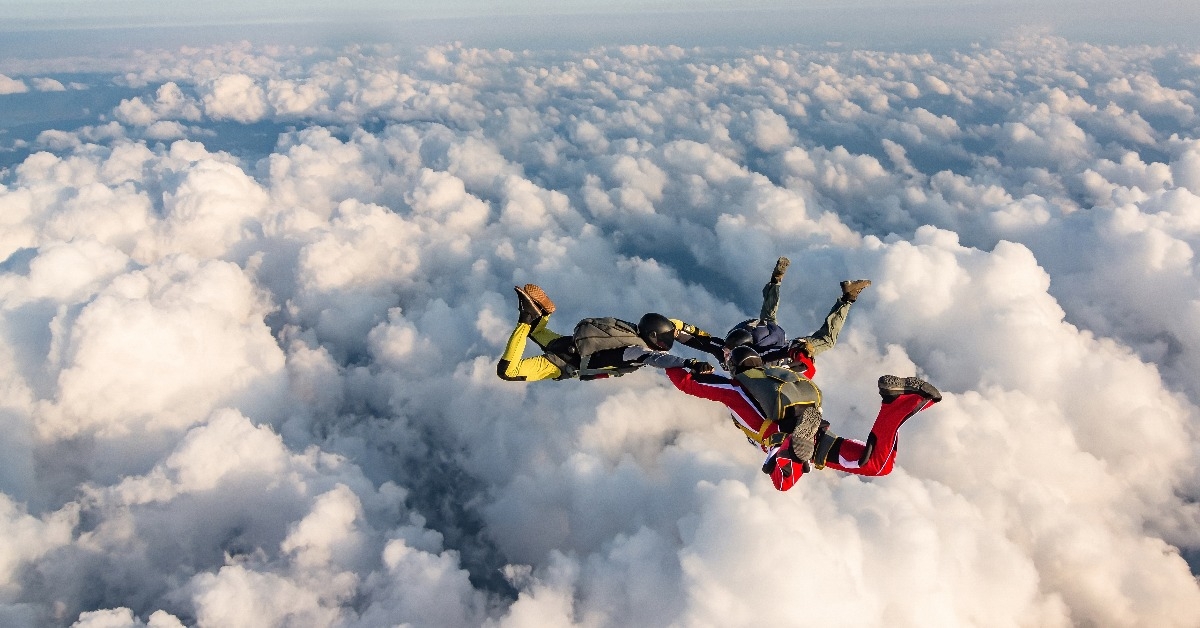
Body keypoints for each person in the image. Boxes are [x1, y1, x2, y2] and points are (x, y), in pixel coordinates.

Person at [665, 344, 941, 491]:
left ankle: (786, 450)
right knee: (876, 465)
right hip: (814, 428)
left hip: (779, 435)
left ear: (736, 367)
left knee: (783, 481)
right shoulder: (783, 376)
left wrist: (671, 361)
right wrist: (801, 353)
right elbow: (806, 367)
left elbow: (688, 383)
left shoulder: (735, 386)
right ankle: (897, 402)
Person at [674, 257, 872, 377]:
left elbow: (701, 341)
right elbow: (700, 340)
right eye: (727, 352)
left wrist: (801, 350)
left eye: (728, 354)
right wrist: (675, 330)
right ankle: (775, 282)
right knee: (769, 316)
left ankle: (848, 298)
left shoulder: (757, 356)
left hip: (773, 341)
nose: (726, 356)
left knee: (826, 340)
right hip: (765, 331)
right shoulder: (726, 348)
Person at [497, 284, 713, 382]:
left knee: (535, 332)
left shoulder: (632, 330)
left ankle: (542, 314)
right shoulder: (636, 350)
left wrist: (705, 340)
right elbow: (659, 359)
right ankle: (528, 316)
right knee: (508, 371)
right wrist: (690, 363)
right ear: (656, 338)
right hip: (562, 362)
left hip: (569, 342)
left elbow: (675, 326)